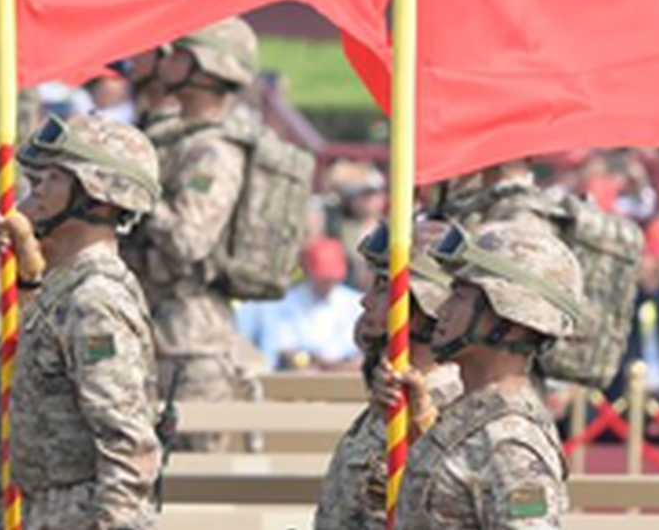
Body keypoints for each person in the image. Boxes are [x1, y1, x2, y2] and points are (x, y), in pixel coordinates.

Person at [0, 115, 163, 530]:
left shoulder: (95, 300)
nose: (37, 189)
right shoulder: (62, 288)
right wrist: (29, 270)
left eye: (55, 178)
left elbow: (127, 446)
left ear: (98, 199)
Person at [392, 220, 584, 530]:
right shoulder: (471, 416)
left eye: (460, 297)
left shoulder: (511, 444)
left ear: (511, 320)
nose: (442, 309)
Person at [127, 17, 262, 450]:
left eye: (181, 54)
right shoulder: (171, 136)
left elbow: (189, 239)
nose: (166, 62)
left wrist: (137, 193)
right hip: (151, 330)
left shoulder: (215, 151)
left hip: (192, 344)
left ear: (209, 69)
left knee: (194, 484)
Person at [315, 220, 462, 530]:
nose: (365, 301)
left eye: (385, 287)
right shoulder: (388, 397)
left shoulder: (450, 413)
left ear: (427, 307)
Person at [242, 236, 364, 371]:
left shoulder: (355, 303)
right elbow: (282, 351)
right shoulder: (283, 304)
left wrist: (338, 365)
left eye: (332, 277)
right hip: (298, 378)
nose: (327, 283)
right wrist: (307, 360)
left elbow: (362, 355)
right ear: (308, 272)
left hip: (346, 379)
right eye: (322, 277)